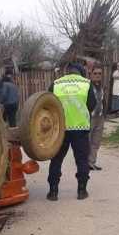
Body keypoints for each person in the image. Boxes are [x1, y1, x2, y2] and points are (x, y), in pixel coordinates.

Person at [46, 62, 97, 201]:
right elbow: (92, 104)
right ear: (80, 72)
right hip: (80, 128)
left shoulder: (56, 84)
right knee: (81, 160)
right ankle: (82, 190)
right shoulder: (86, 83)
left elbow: (47, 103)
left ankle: (53, 191)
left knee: (56, 160)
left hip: (60, 128)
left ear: (68, 72)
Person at [88, 64, 106, 171]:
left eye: (99, 73)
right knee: (87, 141)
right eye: (95, 73)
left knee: (96, 142)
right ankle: (84, 163)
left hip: (100, 117)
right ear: (91, 74)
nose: (97, 75)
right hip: (90, 117)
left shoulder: (102, 86)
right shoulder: (87, 86)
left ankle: (92, 162)